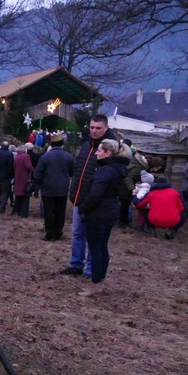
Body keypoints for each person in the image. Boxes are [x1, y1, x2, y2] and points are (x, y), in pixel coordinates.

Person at [60, 115, 117, 277]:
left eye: (98, 128)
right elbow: (79, 169)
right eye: (92, 127)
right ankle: (76, 264)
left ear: (106, 128)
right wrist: (74, 193)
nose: (94, 131)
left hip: (95, 202)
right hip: (79, 198)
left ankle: (91, 269)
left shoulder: (109, 148)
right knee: (77, 233)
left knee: (93, 237)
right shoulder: (86, 145)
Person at [76, 140, 130, 296]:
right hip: (110, 213)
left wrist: (83, 207)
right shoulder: (117, 169)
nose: (95, 153)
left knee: (96, 249)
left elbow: (95, 195)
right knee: (102, 247)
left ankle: (95, 284)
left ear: (108, 153)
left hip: (98, 215)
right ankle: (99, 281)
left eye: (99, 150)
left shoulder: (105, 171)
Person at [33, 133, 74, 241]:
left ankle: (50, 233)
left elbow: (37, 174)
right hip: (63, 188)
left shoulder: (45, 157)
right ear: (62, 144)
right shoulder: (69, 157)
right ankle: (58, 231)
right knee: (60, 211)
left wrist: (39, 184)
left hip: (48, 188)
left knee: (49, 211)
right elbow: (73, 172)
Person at [118, 144, 149, 227]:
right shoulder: (139, 168)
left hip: (123, 187)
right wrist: (132, 188)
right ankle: (123, 223)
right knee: (124, 205)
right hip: (125, 188)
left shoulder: (134, 162)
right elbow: (129, 178)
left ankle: (123, 221)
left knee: (123, 205)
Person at [12, 145, 34, 218]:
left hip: (17, 177)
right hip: (25, 178)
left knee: (18, 196)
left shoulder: (17, 157)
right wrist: (33, 170)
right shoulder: (26, 156)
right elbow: (28, 166)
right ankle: (24, 213)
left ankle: (16, 211)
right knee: (25, 196)